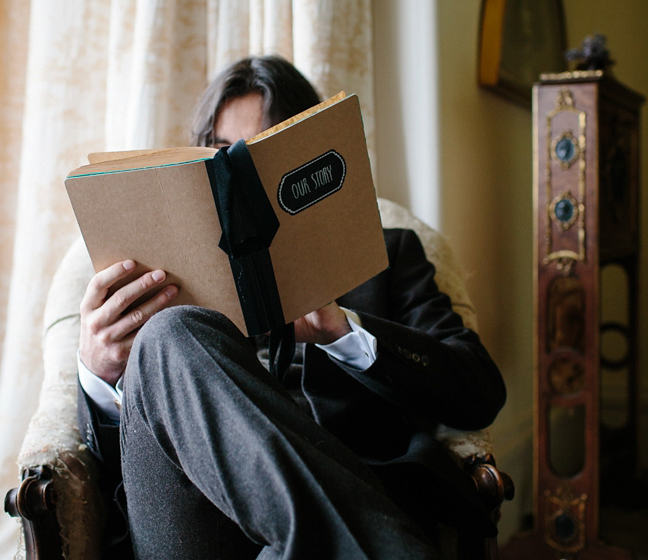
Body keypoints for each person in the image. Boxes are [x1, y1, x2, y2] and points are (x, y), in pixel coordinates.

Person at [76, 55, 506, 559]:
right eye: (219, 151)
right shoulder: (145, 278)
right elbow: (109, 466)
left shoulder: (389, 255)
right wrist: (98, 377)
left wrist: (346, 332)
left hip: (340, 503)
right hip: (196, 531)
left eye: (258, 153)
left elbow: (479, 390)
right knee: (169, 332)